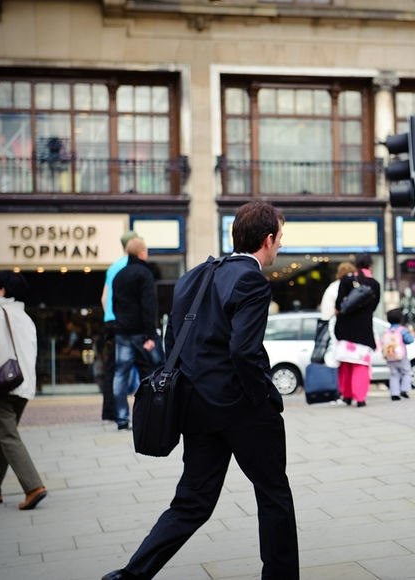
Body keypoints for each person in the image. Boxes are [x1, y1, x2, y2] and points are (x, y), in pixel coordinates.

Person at [102, 201, 299, 580]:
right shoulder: (252, 280)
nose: (279, 248)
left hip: (195, 406)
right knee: (274, 494)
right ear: (268, 240)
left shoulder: (195, 276)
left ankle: (130, 575)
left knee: (192, 503)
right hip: (242, 409)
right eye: (279, 240)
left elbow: (171, 339)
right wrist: (264, 396)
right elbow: (244, 350)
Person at [0, 271, 47, 511]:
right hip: (23, 385)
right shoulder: (25, 317)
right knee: (4, 436)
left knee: (7, 436)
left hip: (2, 386)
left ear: (2, 291)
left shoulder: (0, 313)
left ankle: (33, 486)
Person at [110, 236, 162, 430]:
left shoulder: (119, 275)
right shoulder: (144, 274)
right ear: (142, 252)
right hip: (142, 333)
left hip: (122, 332)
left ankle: (122, 419)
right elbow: (149, 306)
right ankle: (152, 415)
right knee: (153, 373)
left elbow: (114, 304)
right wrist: (150, 335)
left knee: (120, 375)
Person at [99, 230, 139, 421]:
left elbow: (104, 297)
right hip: (126, 323)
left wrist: (109, 316)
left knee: (111, 369)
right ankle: (125, 413)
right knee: (126, 368)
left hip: (110, 322)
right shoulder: (132, 266)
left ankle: (109, 411)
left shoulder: (113, 266)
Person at [333, 253, 380, 407]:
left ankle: (346, 396)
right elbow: (373, 307)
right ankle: (360, 398)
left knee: (346, 364)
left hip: (345, 329)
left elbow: (340, 303)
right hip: (363, 330)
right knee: (361, 365)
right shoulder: (374, 284)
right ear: (370, 265)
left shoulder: (346, 280)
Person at [381, 308, 415, 401]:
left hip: (389, 356)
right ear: (401, 319)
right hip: (401, 356)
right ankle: (404, 390)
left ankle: (394, 393)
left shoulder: (386, 331)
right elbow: (410, 340)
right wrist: (411, 334)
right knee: (406, 372)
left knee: (393, 374)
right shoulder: (402, 330)